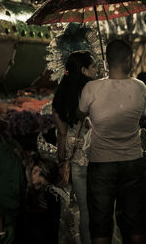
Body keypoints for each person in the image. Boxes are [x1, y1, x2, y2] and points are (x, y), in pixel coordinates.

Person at [77, 39, 146, 244]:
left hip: (101, 164)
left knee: (100, 223)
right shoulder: (140, 88)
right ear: (128, 60)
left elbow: (80, 113)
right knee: (136, 221)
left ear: (106, 61)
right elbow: (140, 116)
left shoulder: (91, 88)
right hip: (133, 161)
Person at [0, 139, 59, 243]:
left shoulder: (20, 169)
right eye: (39, 184)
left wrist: (6, 227)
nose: (37, 188)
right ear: (36, 170)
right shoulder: (14, 176)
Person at [52, 51, 97, 244]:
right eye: (93, 66)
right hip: (95, 158)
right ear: (83, 70)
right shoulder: (90, 94)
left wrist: (62, 161)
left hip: (74, 161)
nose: (96, 69)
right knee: (98, 208)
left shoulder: (60, 95)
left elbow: (62, 135)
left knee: (83, 208)